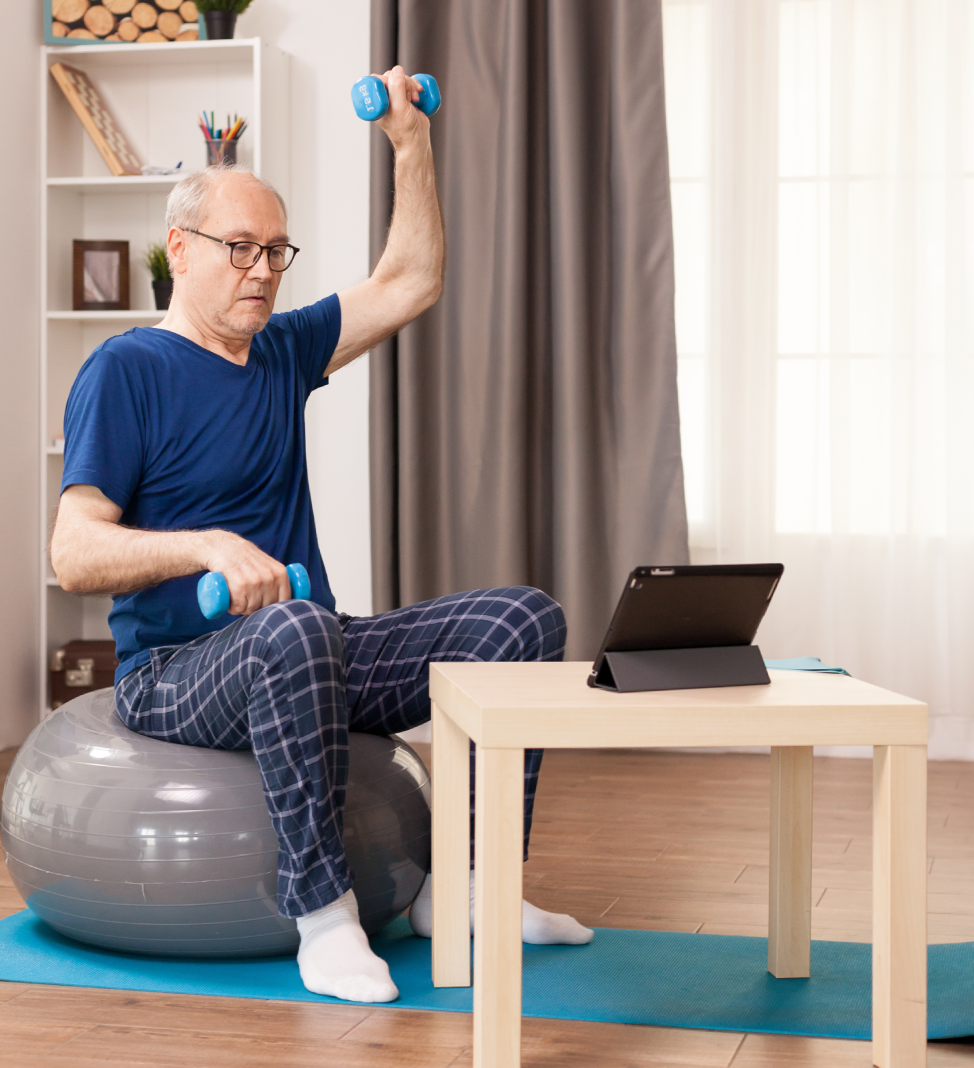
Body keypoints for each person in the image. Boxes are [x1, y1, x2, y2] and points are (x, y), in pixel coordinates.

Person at [50, 68, 591, 1005]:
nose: (262, 269)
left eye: (276, 251)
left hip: (309, 650)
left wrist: (411, 143)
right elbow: (72, 552)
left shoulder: (283, 350)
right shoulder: (126, 369)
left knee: (521, 620)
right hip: (175, 674)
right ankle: (325, 920)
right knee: (296, 625)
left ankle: (465, 889)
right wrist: (203, 546)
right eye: (239, 248)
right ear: (180, 249)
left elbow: (411, 279)